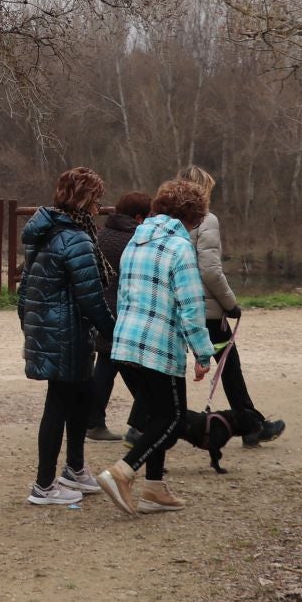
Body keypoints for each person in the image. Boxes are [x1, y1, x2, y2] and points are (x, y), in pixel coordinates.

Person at [96, 179, 219, 517]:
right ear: (191, 217)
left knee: (154, 414)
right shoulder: (179, 248)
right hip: (158, 347)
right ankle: (123, 472)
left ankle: (155, 489)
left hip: (125, 343)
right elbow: (191, 306)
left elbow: (122, 293)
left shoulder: (137, 240)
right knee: (173, 416)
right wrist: (203, 353)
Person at [18, 168, 114, 505]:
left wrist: (28, 325)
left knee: (82, 396)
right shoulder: (75, 238)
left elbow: (25, 286)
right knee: (58, 403)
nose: (99, 207)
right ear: (85, 200)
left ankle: (74, 468)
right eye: (97, 199)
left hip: (51, 329)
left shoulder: (44, 231)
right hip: (65, 332)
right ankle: (44, 485)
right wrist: (113, 333)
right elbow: (90, 297)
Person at [181, 164, 284, 447]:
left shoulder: (168, 221)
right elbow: (211, 270)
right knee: (230, 366)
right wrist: (231, 304)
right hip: (208, 311)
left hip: (178, 306)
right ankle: (252, 425)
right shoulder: (206, 220)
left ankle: (141, 428)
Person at [85, 190, 151, 441]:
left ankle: (94, 422)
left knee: (106, 364)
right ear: (138, 216)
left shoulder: (102, 234)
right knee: (133, 368)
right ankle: (144, 419)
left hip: (101, 307)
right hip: (124, 310)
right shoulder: (134, 240)